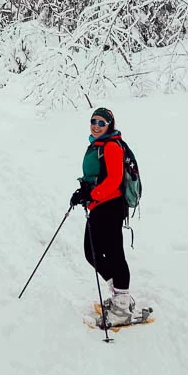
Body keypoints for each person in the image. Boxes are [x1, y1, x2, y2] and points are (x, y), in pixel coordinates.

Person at [69, 106, 135, 326]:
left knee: (112, 253)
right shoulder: (97, 145)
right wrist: (83, 192)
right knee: (93, 252)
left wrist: (92, 194)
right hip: (99, 206)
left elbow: (114, 180)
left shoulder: (111, 147)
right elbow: (97, 176)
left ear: (109, 125)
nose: (96, 126)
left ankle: (122, 305)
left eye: (101, 123)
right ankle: (120, 296)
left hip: (110, 207)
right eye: (93, 121)